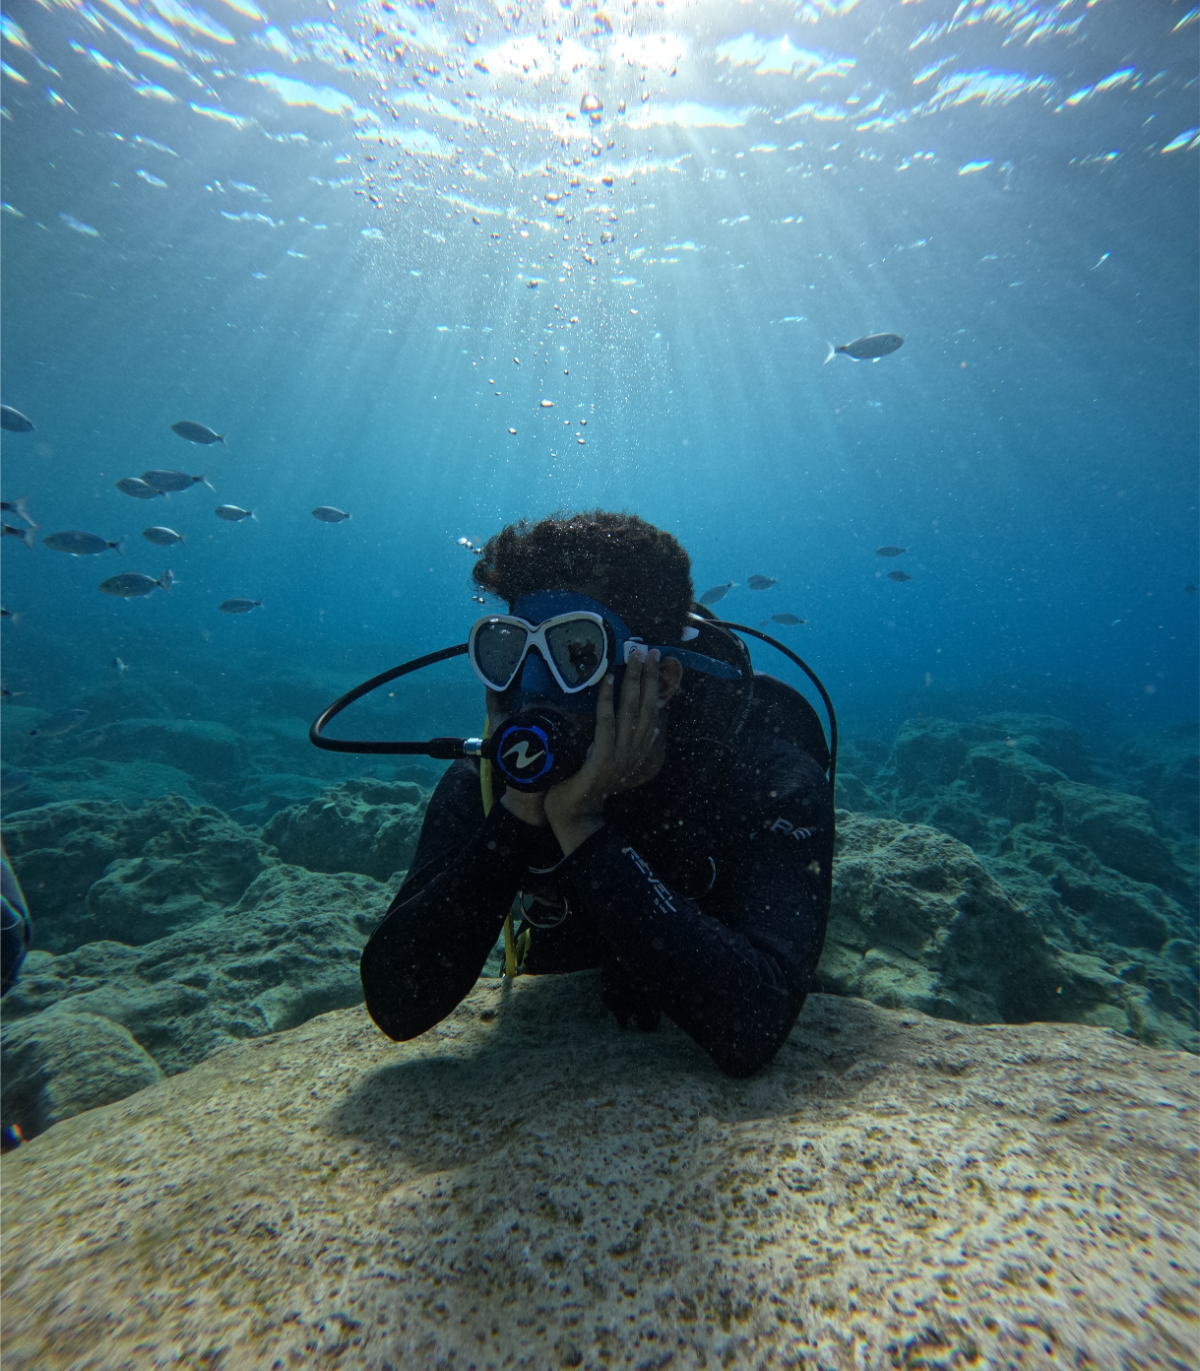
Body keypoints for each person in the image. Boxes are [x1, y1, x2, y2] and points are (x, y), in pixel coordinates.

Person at [360, 512, 834, 1077]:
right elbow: (397, 1005)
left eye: (577, 654)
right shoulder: (488, 781)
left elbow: (752, 1023)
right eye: (512, 651)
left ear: (659, 680)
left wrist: (580, 823)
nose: (532, 692)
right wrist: (518, 813)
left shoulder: (766, 777)